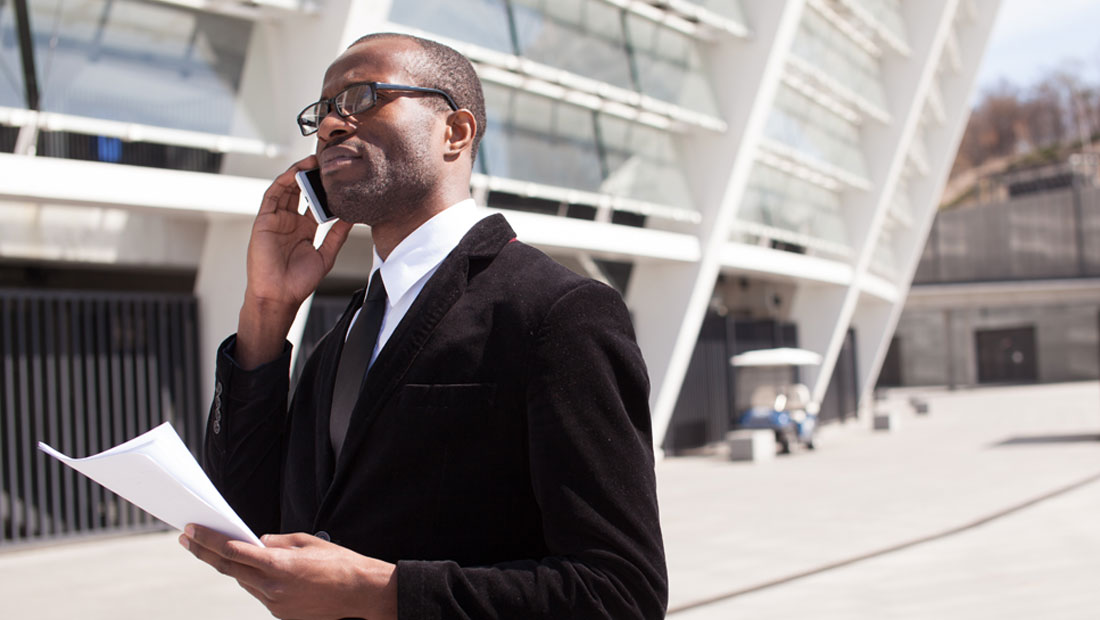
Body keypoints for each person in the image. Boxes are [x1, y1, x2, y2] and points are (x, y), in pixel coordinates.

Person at [179, 32, 667, 620]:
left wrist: (381, 591)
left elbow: (620, 593)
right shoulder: (345, 334)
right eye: (322, 113)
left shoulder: (558, 312)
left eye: (361, 97)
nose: (332, 125)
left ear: (455, 132)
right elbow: (253, 518)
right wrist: (266, 308)